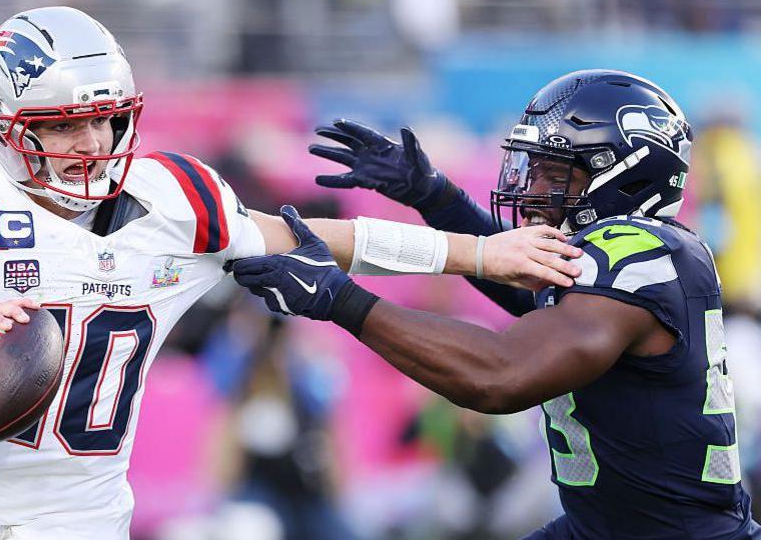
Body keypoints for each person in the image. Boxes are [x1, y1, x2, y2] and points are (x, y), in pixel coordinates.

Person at [0, 7, 582, 540]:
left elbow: (319, 237)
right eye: (61, 123)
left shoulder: (174, 196)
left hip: (96, 522)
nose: (91, 139)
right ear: (5, 127)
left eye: (105, 115)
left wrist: (479, 251)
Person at [229, 69, 761, 538]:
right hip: (601, 525)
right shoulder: (620, 260)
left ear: (624, 173)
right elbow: (527, 287)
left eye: (555, 173)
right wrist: (437, 198)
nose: (531, 190)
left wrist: (338, 299)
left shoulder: (638, 253)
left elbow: (501, 375)